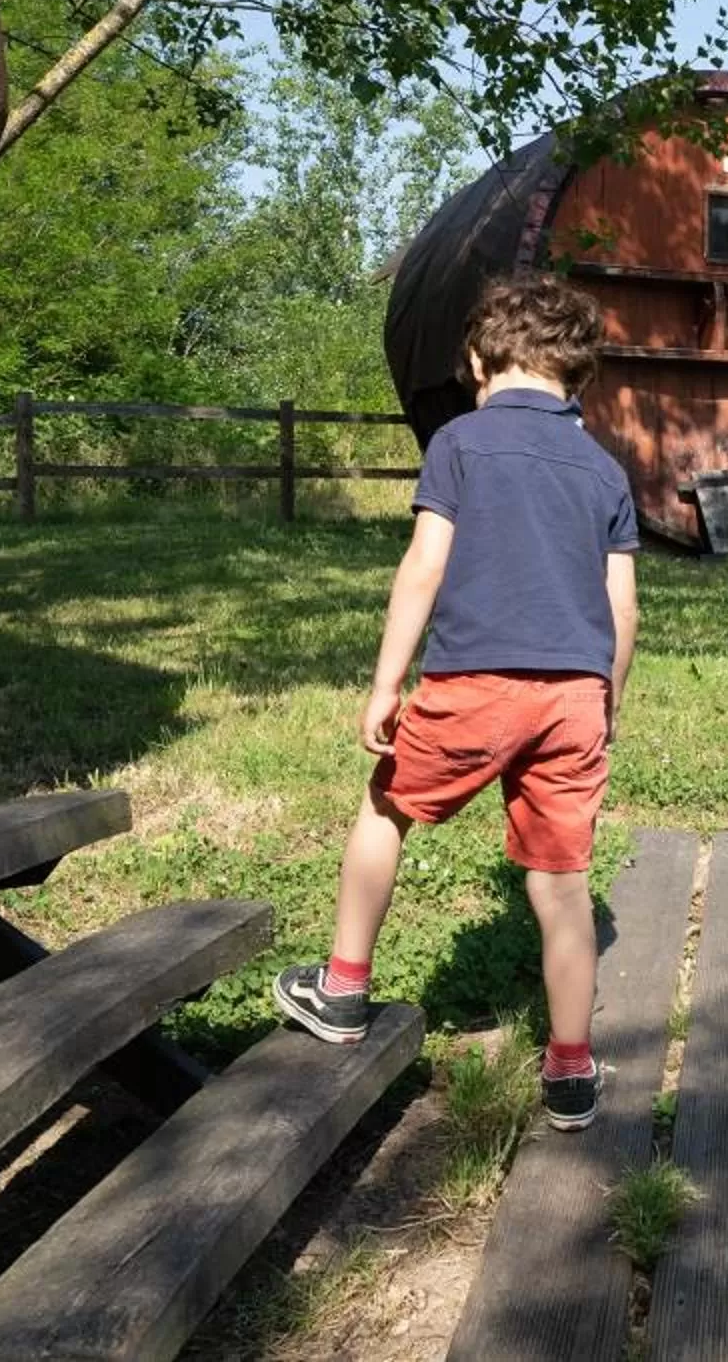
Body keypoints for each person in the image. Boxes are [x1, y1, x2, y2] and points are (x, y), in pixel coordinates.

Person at [274, 275, 640, 1132]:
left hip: (474, 681)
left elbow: (425, 566)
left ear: (478, 361)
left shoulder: (461, 444)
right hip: (574, 697)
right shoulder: (604, 469)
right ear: (578, 375)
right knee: (563, 884)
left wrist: (386, 683)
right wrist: (607, 702)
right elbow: (622, 608)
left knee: (387, 807)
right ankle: (571, 1071)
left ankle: (342, 989)